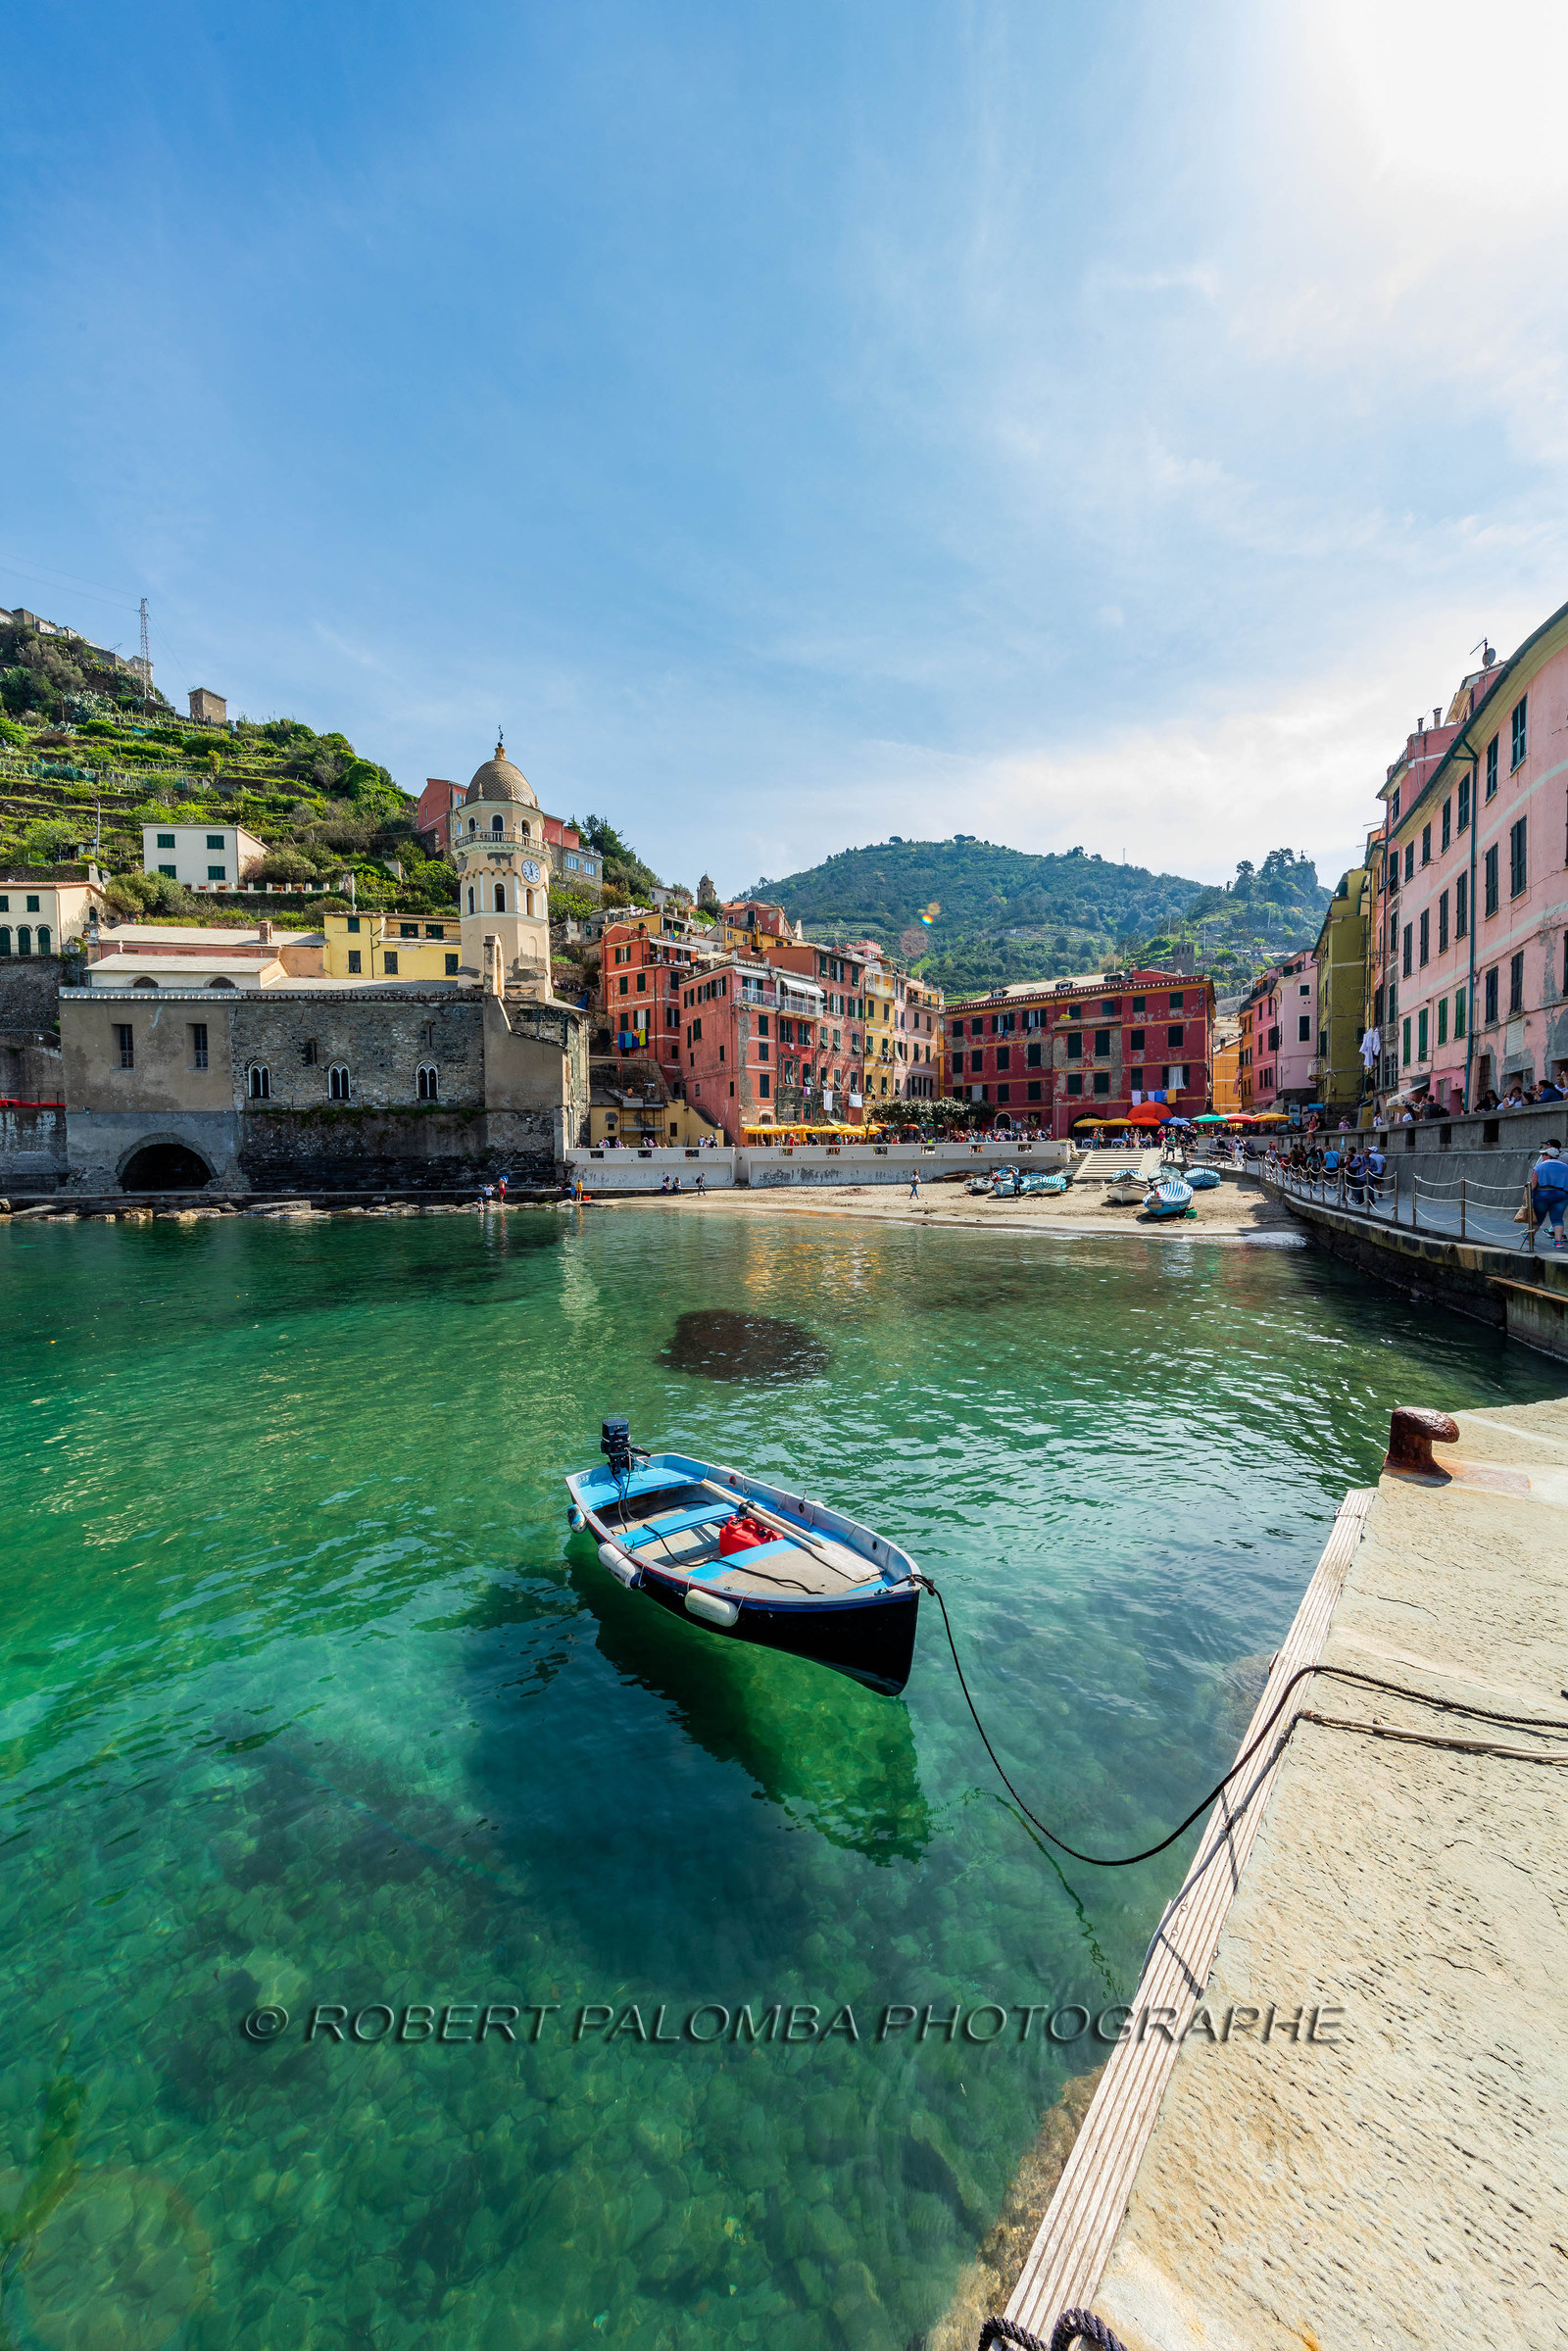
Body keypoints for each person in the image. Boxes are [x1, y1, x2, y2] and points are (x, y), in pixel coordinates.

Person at [1531, 1142, 1568, 1248]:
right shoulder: (1566, 1167)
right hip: (1561, 1196)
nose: (1542, 1156)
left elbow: (1533, 1184)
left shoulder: (1539, 1168)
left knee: (1538, 1217)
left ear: (1548, 1156)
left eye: (1543, 1154)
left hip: (1543, 1195)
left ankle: (1529, 1236)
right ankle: (1558, 1241)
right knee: (1557, 1218)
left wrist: (1527, 1195)